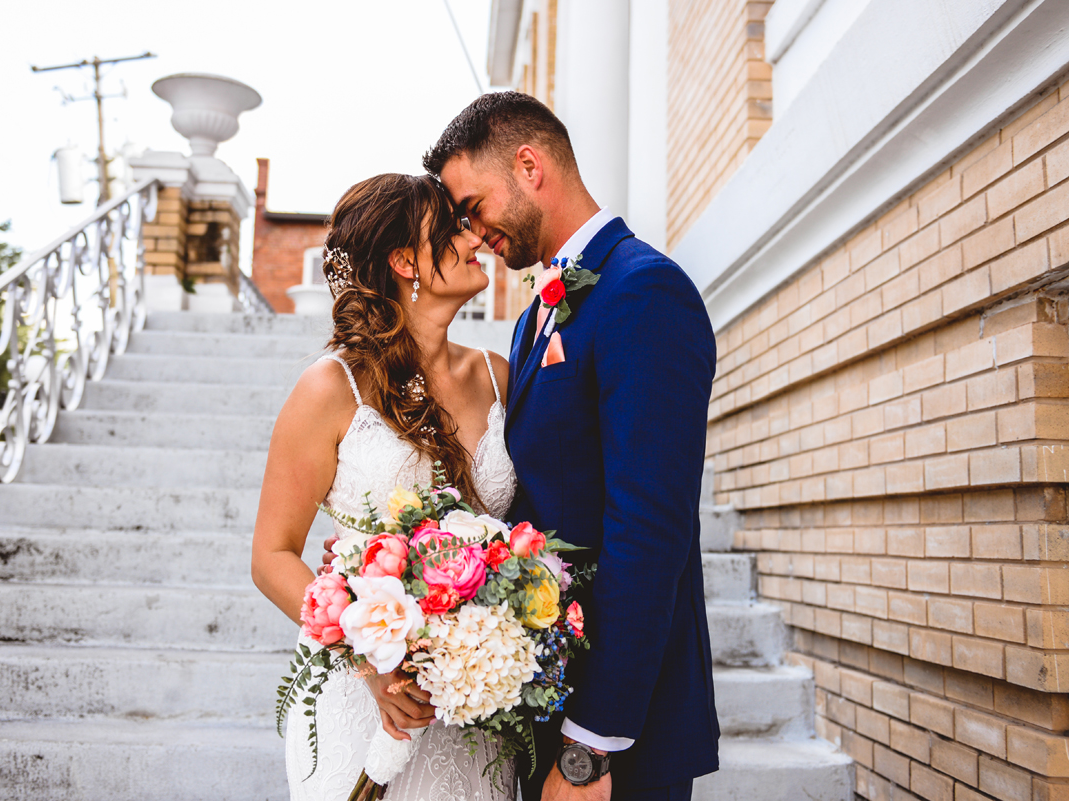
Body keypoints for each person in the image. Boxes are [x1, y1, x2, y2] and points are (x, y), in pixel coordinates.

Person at [424, 91, 721, 801]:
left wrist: (592, 743)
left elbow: (650, 529)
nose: (472, 233)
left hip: (619, 734)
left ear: (529, 166)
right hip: (547, 704)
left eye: (472, 207)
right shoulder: (534, 319)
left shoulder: (644, 291)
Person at [251, 173, 518, 801]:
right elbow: (271, 556)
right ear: (405, 261)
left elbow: (521, 533)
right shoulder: (331, 388)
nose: (474, 235)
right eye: (452, 228)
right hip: (361, 694)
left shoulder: (498, 376)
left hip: (473, 701)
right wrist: (373, 658)